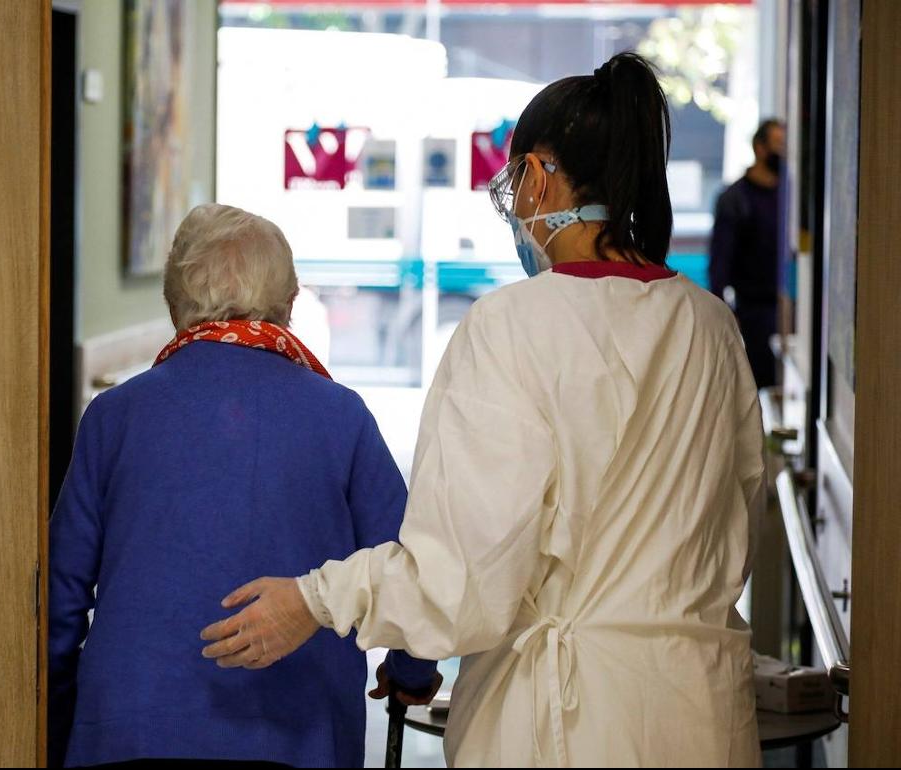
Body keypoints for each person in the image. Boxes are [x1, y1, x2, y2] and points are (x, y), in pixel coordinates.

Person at [200, 53, 765, 768]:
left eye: (512, 182)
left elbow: (462, 579)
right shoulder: (710, 326)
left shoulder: (513, 325)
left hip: (570, 724)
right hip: (700, 712)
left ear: (537, 175)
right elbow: (739, 515)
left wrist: (315, 600)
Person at [48, 203, 438, 767]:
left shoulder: (114, 417)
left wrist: (58, 720)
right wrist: (411, 675)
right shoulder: (341, 417)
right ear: (289, 303)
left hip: (129, 732)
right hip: (299, 735)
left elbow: (61, 597)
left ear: (173, 301)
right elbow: (408, 567)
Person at [709, 118, 787, 388]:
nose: (784, 152)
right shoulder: (735, 199)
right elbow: (719, 263)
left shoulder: (790, 196)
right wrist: (726, 316)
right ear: (760, 148)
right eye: (778, 144)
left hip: (789, 308)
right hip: (754, 311)